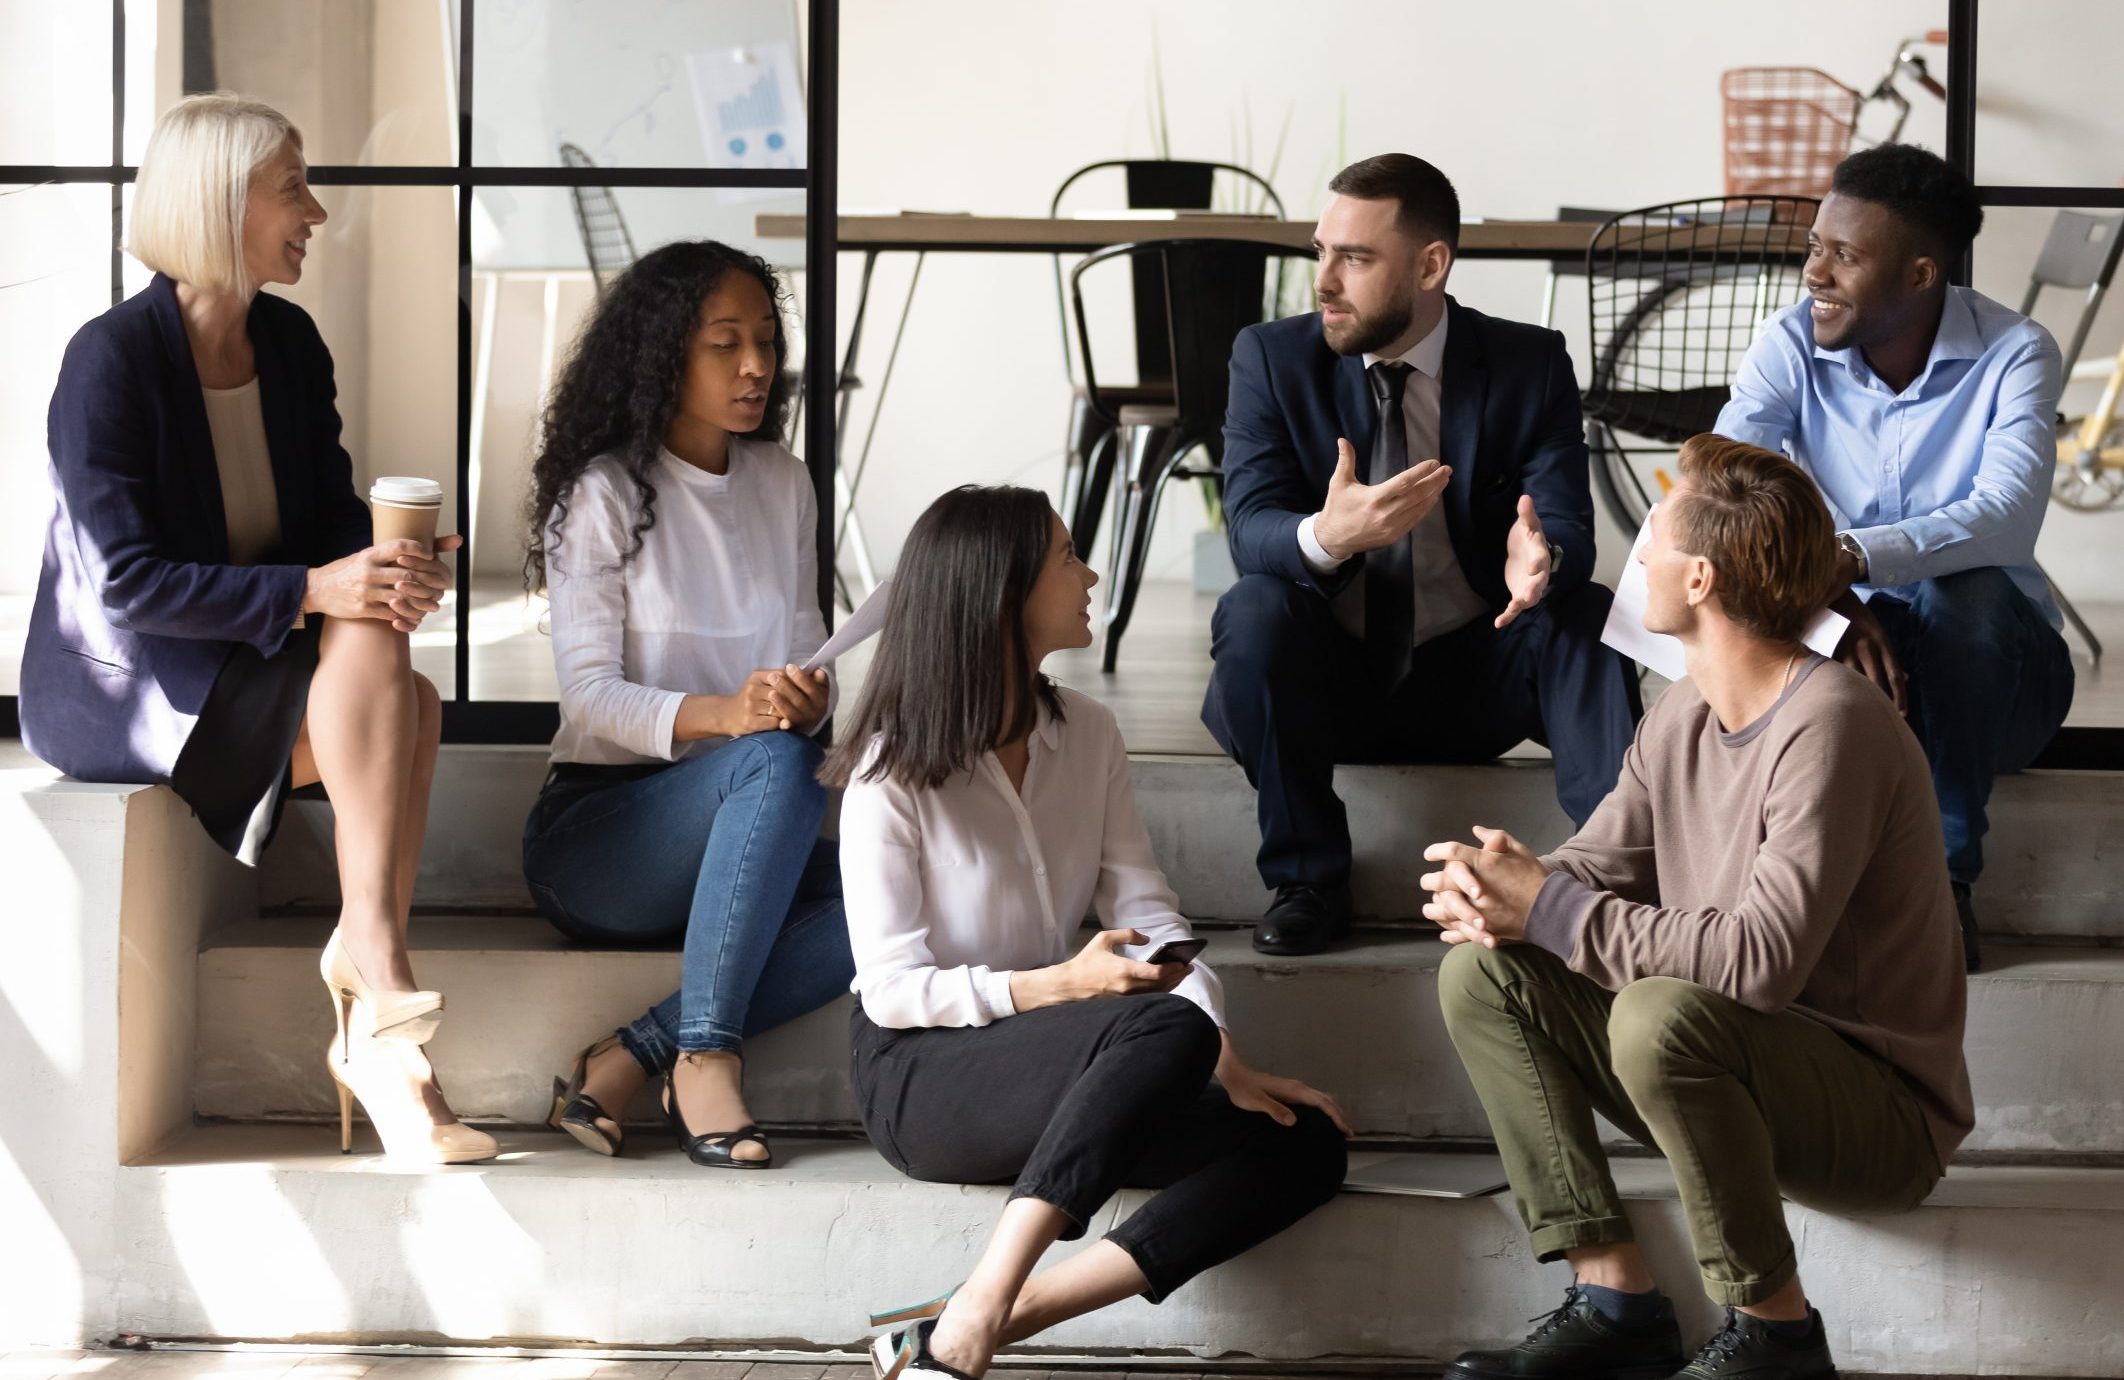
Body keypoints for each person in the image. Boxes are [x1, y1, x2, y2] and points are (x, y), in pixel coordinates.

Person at [1423, 435, 1971, 1380]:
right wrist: (1504, 886)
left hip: (1878, 1115)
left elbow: (1762, 962)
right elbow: (1594, 866)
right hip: (1735, 1069)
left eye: (1653, 538)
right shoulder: (1684, 708)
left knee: (1658, 1013)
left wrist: (1549, 907)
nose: (1635, 555)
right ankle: (1617, 1300)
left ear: (1702, 579)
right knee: (1484, 974)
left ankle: (1777, 1335)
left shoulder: (1830, 724)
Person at [20, 93, 491, 1165]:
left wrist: (391, 564)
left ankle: (372, 970)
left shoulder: (288, 343)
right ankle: (375, 977)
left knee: (400, 679)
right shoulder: (110, 363)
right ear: (218, 202)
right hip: (130, 680)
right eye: (292, 187)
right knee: (398, 693)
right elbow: (127, 584)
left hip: (245, 653)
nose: (314, 211)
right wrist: (322, 590)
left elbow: (325, 527)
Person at [826, 485, 1350, 1380]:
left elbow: (1149, 919)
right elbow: (891, 988)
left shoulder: (1090, 734)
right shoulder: (890, 774)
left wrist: (1219, 1056)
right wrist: (1058, 986)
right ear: (1001, 592)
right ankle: (986, 1302)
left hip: (1070, 1064)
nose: (1091, 574)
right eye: (1069, 557)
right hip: (924, 1072)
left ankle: (984, 1314)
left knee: (1305, 1138)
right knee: (1166, 1026)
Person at [1205, 152, 1641, 957]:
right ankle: (1307, 881)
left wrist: (1538, 558)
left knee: (1586, 615)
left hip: (1477, 673)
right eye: (1320, 253)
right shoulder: (1270, 359)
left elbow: (1569, 526)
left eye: (1356, 258)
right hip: (1329, 682)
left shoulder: (1526, 361)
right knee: (1254, 607)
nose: (1325, 281)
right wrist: (1329, 536)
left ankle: (1612, 886)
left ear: (1432, 264)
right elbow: (1251, 526)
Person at [521, 240, 852, 1170]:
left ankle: (634, 1053)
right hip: (600, 838)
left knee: (894, 888)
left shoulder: (783, 483)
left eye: (766, 339)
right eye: (724, 342)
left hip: (748, 829)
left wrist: (805, 693)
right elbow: (588, 696)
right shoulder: (601, 494)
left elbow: (801, 647)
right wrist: (730, 714)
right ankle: (708, 1052)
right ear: (664, 353)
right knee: (773, 758)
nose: (756, 365)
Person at [1716, 142, 2074, 970]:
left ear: (1919, 276)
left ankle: (1943, 888)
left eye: (1844, 256)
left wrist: (1847, 559)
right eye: (1816, 246)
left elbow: (2005, 519)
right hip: (1858, 657)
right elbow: (1723, 486)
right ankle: (1765, 889)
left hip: (2001, 684)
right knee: (1724, 600)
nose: (1815, 273)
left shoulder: (2016, 353)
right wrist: (1828, 602)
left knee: (1969, 591)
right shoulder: (1790, 341)